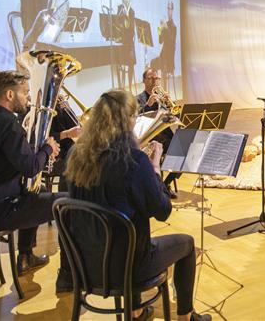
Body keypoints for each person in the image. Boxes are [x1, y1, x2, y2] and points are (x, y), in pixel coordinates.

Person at [64, 89, 210, 321]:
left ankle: (136, 309)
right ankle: (186, 316)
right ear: (128, 120)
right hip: (129, 267)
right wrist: (154, 169)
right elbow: (163, 211)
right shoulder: (133, 159)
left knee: (122, 232)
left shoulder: (77, 155)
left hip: (86, 263)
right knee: (187, 245)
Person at [0, 71, 71, 286]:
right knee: (69, 203)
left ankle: (25, 256)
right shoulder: (9, 125)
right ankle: (68, 277)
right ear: (10, 95)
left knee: (37, 190)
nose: (28, 99)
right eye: (25, 93)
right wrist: (47, 150)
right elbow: (31, 168)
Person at [137, 68, 179, 199]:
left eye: (157, 78)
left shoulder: (163, 97)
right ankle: (158, 189)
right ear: (144, 81)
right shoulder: (138, 99)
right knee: (156, 153)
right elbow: (136, 118)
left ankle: (165, 185)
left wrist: (170, 103)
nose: (155, 81)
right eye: (151, 78)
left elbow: (176, 115)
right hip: (150, 137)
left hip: (166, 135)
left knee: (184, 153)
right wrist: (149, 105)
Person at [151, 1, 178, 91]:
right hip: (163, 55)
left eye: (170, 9)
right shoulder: (166, 24)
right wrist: (160, 29)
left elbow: (171, 42)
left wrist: (166, 28)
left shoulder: (174, 27)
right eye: (168, 8)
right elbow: (160, 41)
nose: (169, 11)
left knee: (164, 66)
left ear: (173, 10)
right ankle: (156, 89)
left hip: (169, 59)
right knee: (152, 62)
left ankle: (164, 93)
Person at [117, 0, 137, 91]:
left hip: (129, 44)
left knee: (130, 64)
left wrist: (127, 15)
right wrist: (121, 15)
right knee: (120, 65)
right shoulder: (119, 9)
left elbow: (131, 31)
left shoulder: (131, 12)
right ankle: (122, 88)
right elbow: (117, 25)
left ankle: (129, 87)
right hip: (121, 43)